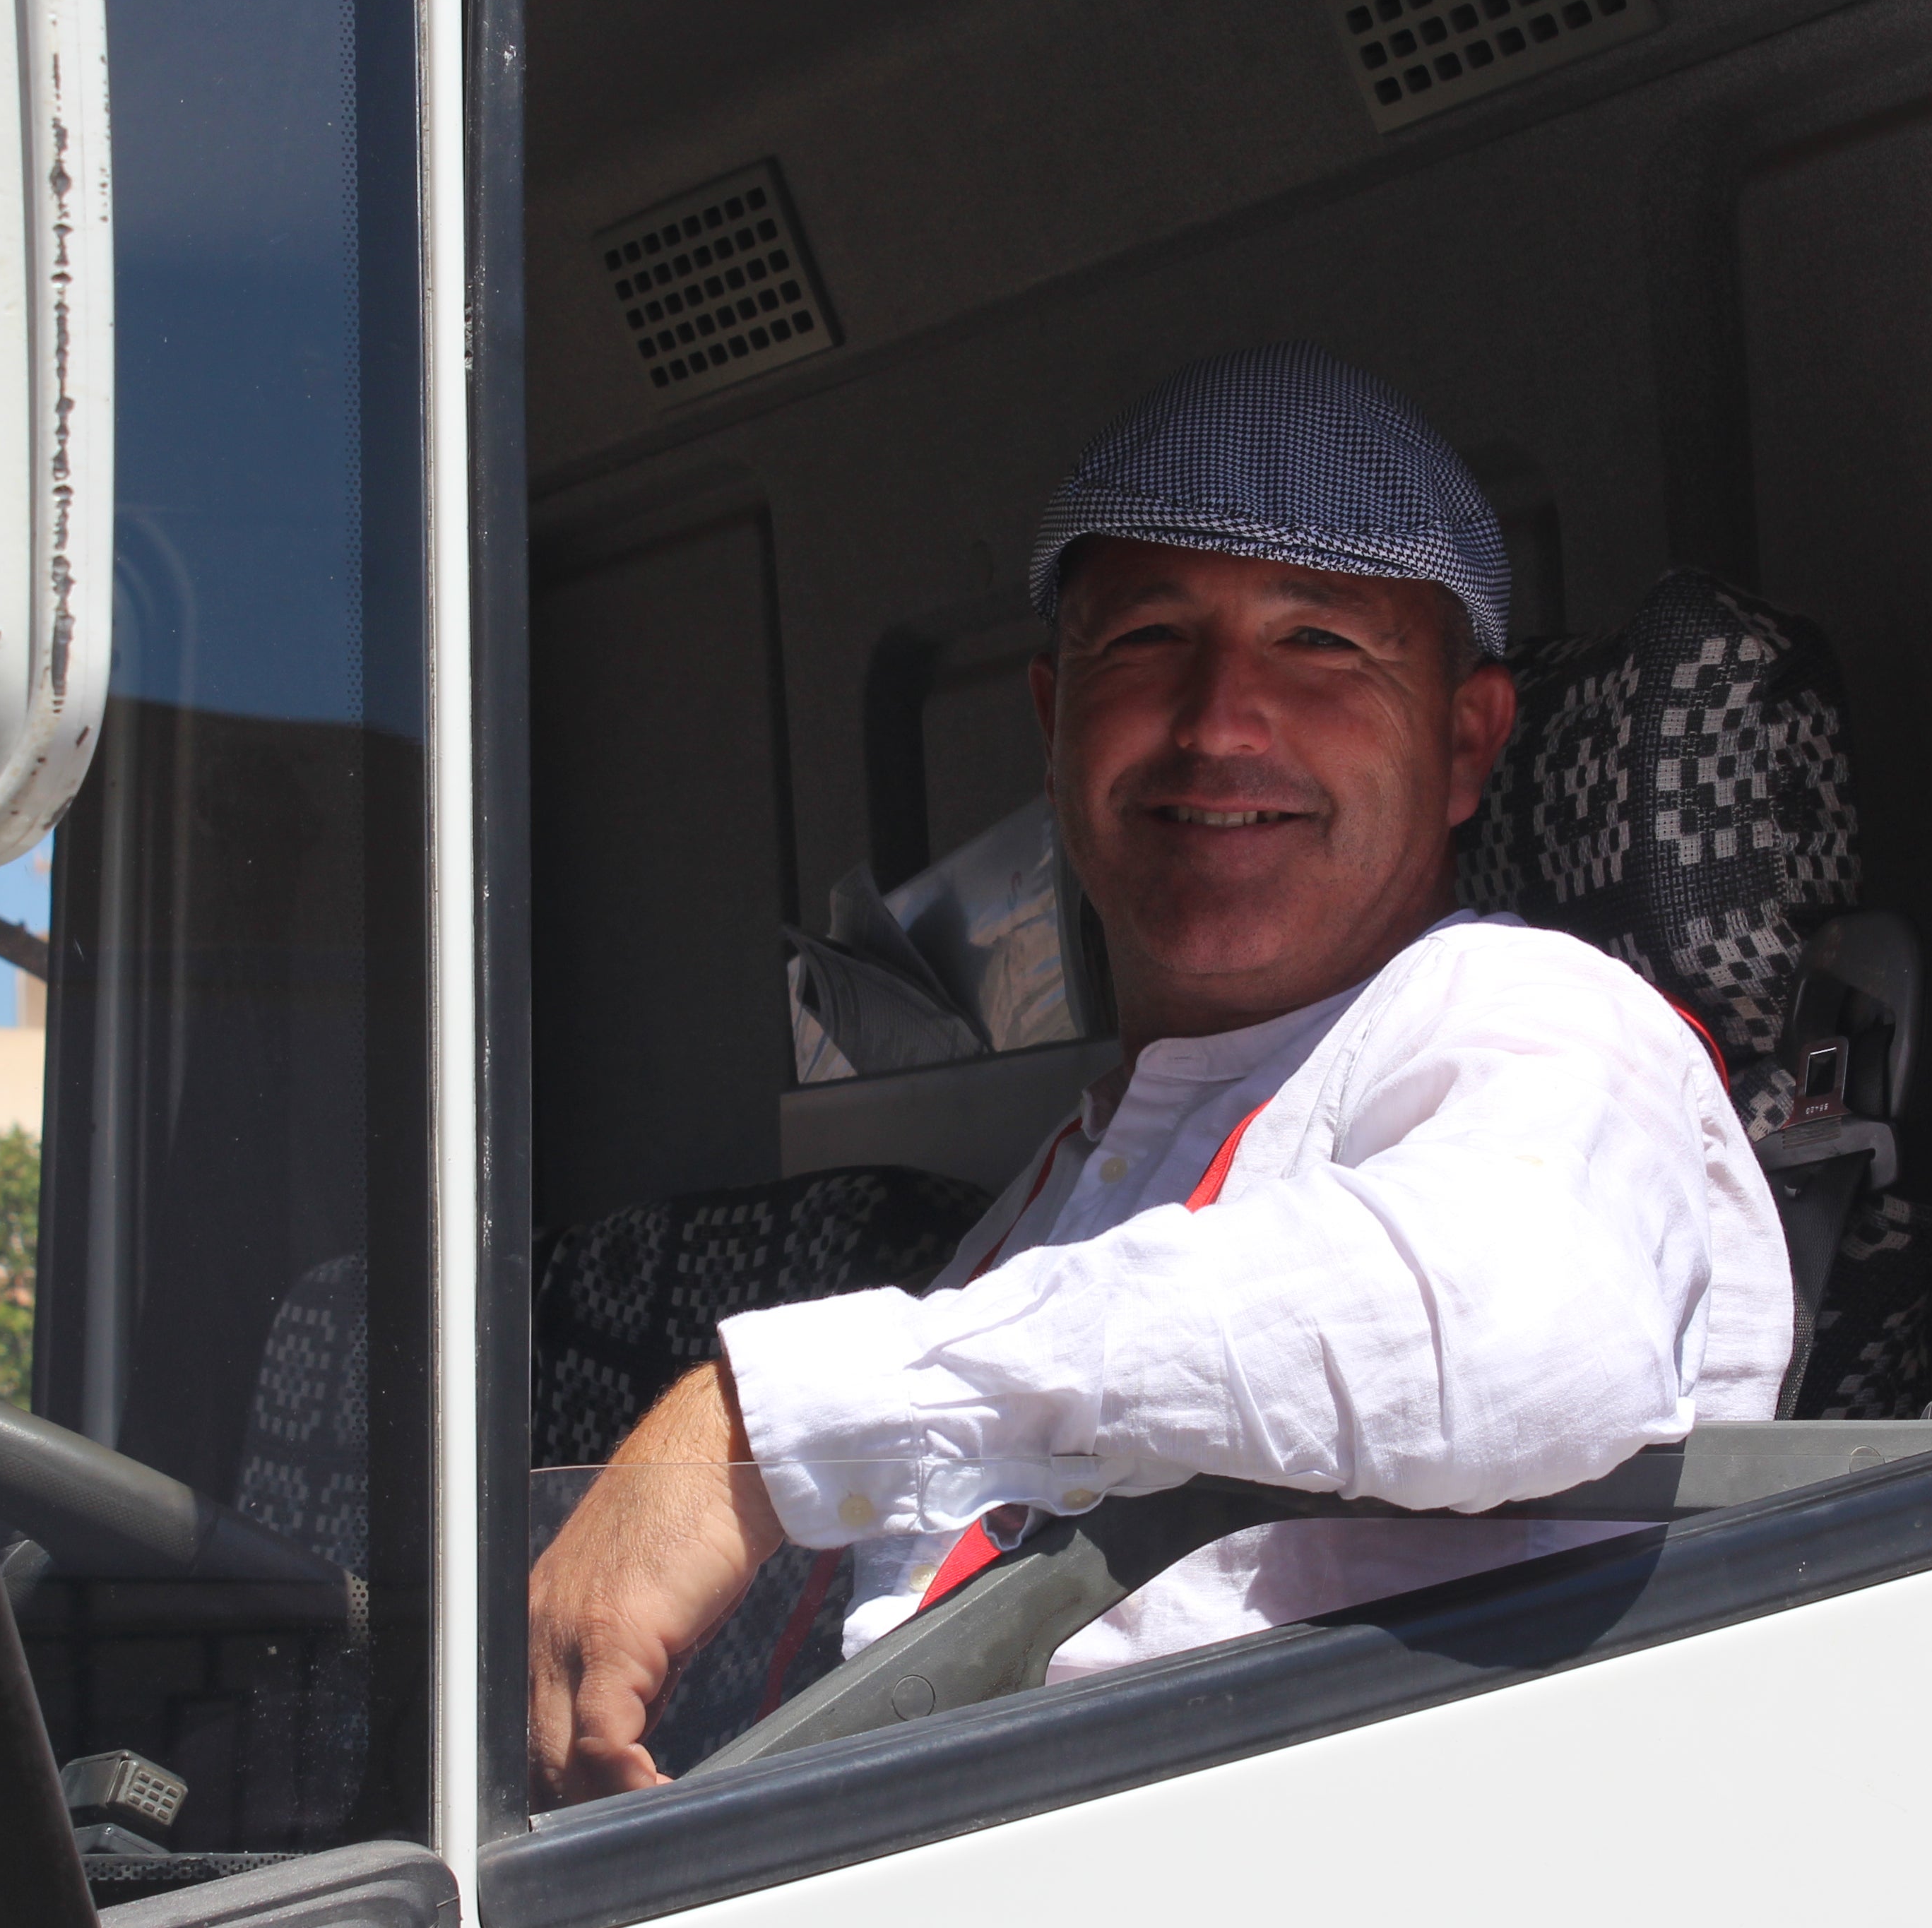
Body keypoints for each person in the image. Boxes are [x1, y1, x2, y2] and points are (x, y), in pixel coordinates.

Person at [528, 345, 1792, 1802]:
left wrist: (769, 1423)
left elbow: (1519, 1315)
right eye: (1148, 644)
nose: (1217, 723)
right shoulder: (1061, 1188)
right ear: (1056, 721)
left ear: (1464, 742)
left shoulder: (1537, 1015)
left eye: (1320, 643)